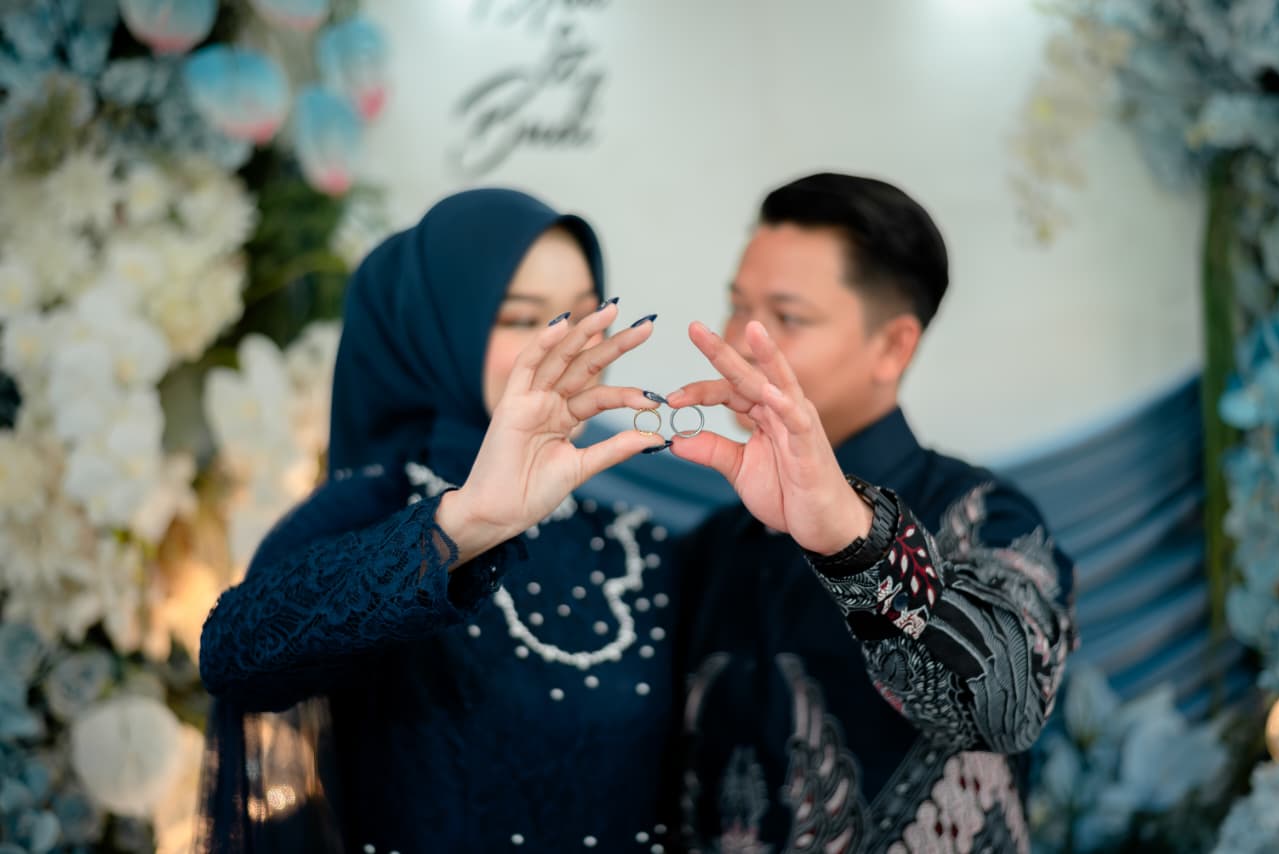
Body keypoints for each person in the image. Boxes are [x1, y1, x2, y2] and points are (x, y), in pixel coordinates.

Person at [196, 188, 678, 852]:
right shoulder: (372, 509)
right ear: (443, 329)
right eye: (523, 319)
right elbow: (234, 656)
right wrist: (467, 522)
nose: (564, 346)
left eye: (586, 316)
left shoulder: (640, 548)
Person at [662, 173, 1078, 852]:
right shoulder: (711, 547)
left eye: (787, 319)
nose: (739, 342)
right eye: (737, 307)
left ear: (893, 346)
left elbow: (1008, 707)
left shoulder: (987, 517)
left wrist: (852, 540)